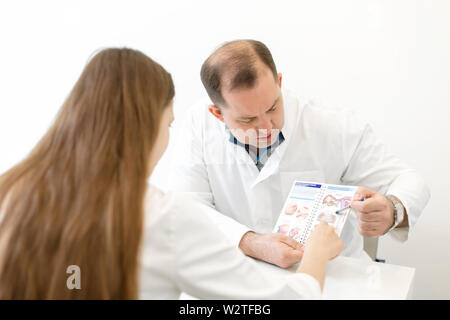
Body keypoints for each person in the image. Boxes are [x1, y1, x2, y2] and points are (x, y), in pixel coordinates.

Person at [0, 48, 343, 299]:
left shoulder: (10, 190)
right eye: (168, 125)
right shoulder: (163, 217)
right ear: (149, 129)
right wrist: (316, 249)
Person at [165, 39, 431, 267]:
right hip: (239, 276)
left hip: (334, 278)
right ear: (217, 113)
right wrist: (250, 242)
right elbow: (187, 208)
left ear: (279, 82)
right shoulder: (198, 125)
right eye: (247, 120)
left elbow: (409, 180)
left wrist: (393, 209)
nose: (266, 127)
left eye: (272, 108)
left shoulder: (332, 125)